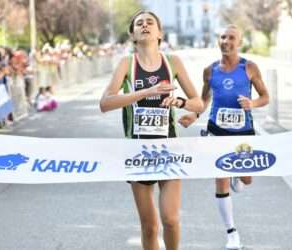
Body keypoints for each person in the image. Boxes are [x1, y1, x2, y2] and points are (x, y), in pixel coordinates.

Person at [99, 11, 203, 250]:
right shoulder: (127, 64)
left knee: (171, 219)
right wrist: (146, 92)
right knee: (149, 226)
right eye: (139, 23)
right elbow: (105, 103)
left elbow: (198, 103)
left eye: (150, 22)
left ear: (159, 33)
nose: (145, 25)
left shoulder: (173, 63)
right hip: (138, 153)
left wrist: (179, 102)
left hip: (169, 149)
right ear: (133, 35)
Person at [179, 25, 269, 249]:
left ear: (239, 42)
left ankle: (238, 177)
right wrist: (194, 115)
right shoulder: (210, 71)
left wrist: (253, 103)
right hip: (216, 130)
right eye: (223, 37)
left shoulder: (249, 68)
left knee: (246, 180)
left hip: (243, 131)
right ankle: (231, 234)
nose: (226, 41)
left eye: (231, 38)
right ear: (218, 40)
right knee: (220, 178)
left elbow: (265, 96)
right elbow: (204, 99)